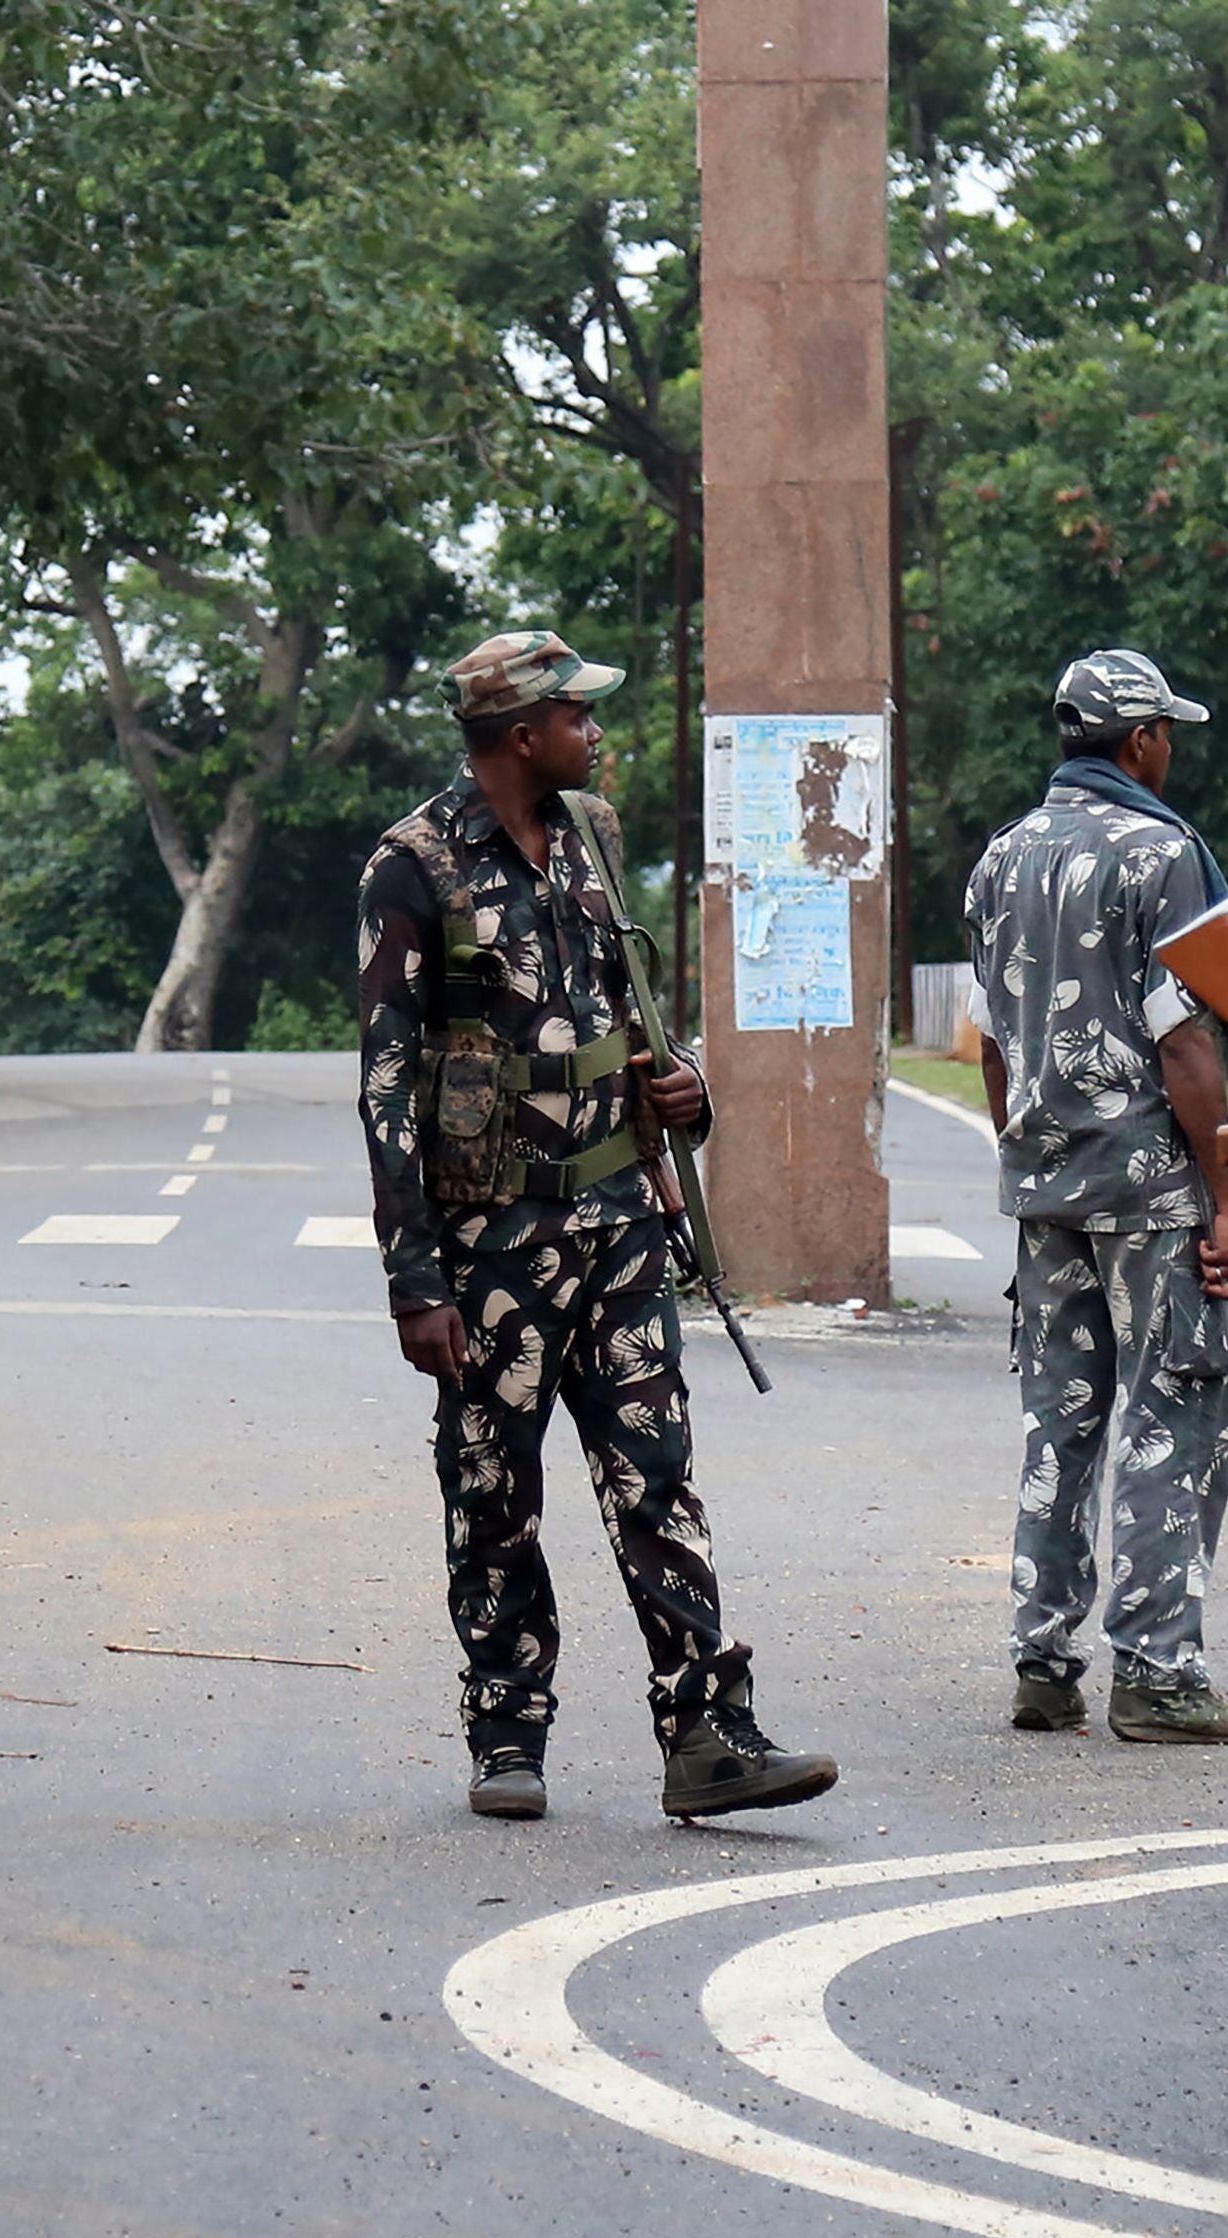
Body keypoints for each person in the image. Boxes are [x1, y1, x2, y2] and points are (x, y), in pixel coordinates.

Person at [357, 630, 839, 1824]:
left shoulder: (596, 838)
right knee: (492, 1485)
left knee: (657, 1479)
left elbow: (633, 1008)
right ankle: (507, 1736)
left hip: (622, 1222)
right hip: (491, 1243)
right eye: (578, 713)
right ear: (523, 733)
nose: (596, 729)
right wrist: (415, 1279)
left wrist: (685, 1092)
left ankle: (707, 1736)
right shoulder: (410, 867)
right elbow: (385, 1084)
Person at [964, 646, 1228, 1746]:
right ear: (1140, 739)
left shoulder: (1000, 858)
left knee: (1062, 1422)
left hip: (1043, 1184)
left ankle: (1042, 1662)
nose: (1172, 750)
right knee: (1171, 1411)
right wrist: (1224, 1197)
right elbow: (1186, 1042)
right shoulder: (1165, 853)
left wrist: (1024, 1149)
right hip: (1148, 1186)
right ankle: (1156, 1670)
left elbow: (992, 1042)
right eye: (1167, 733)